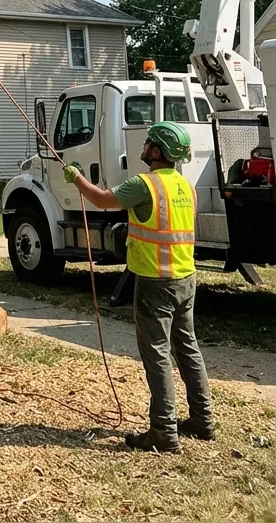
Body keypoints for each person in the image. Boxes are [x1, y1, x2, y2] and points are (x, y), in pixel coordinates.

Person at [63, 121, 214, 453]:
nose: (144, 146)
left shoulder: (145, 184)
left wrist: (77, 178)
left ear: (157, 152)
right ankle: (203, 421)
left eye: (149, 142)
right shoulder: (185, 187)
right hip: (185, 279)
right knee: (187, 349)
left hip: (154, 283)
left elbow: (103, 201)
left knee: (157, 355)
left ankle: (163, 433)